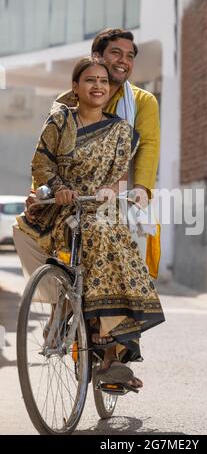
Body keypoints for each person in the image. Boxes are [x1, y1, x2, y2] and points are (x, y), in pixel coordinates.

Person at [16, 57, 165, 390]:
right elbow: (41, 162)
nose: (98, 86)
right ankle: (58, 301)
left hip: (99, 209)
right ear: (75, 88)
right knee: (20, 229)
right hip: (60, 207)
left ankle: (109, 345)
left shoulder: (120, 130)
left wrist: (110, 192)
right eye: (89, 80)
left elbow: (118, 177)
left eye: (103, 81)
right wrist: (57, 188)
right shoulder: (59, 120)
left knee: (101, 235)